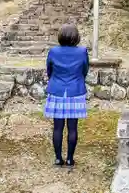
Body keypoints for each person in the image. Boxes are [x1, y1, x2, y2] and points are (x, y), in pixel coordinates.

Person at [44, 23, 89, 168]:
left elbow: (49, 70)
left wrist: (55, 79)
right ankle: (70, 159)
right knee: (73, 128)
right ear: (76, 37)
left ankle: (58, 159)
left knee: (57, 128)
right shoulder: (82, 51)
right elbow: (85, 69)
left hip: (57, 90)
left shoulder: (53, 51)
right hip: (75, 91)